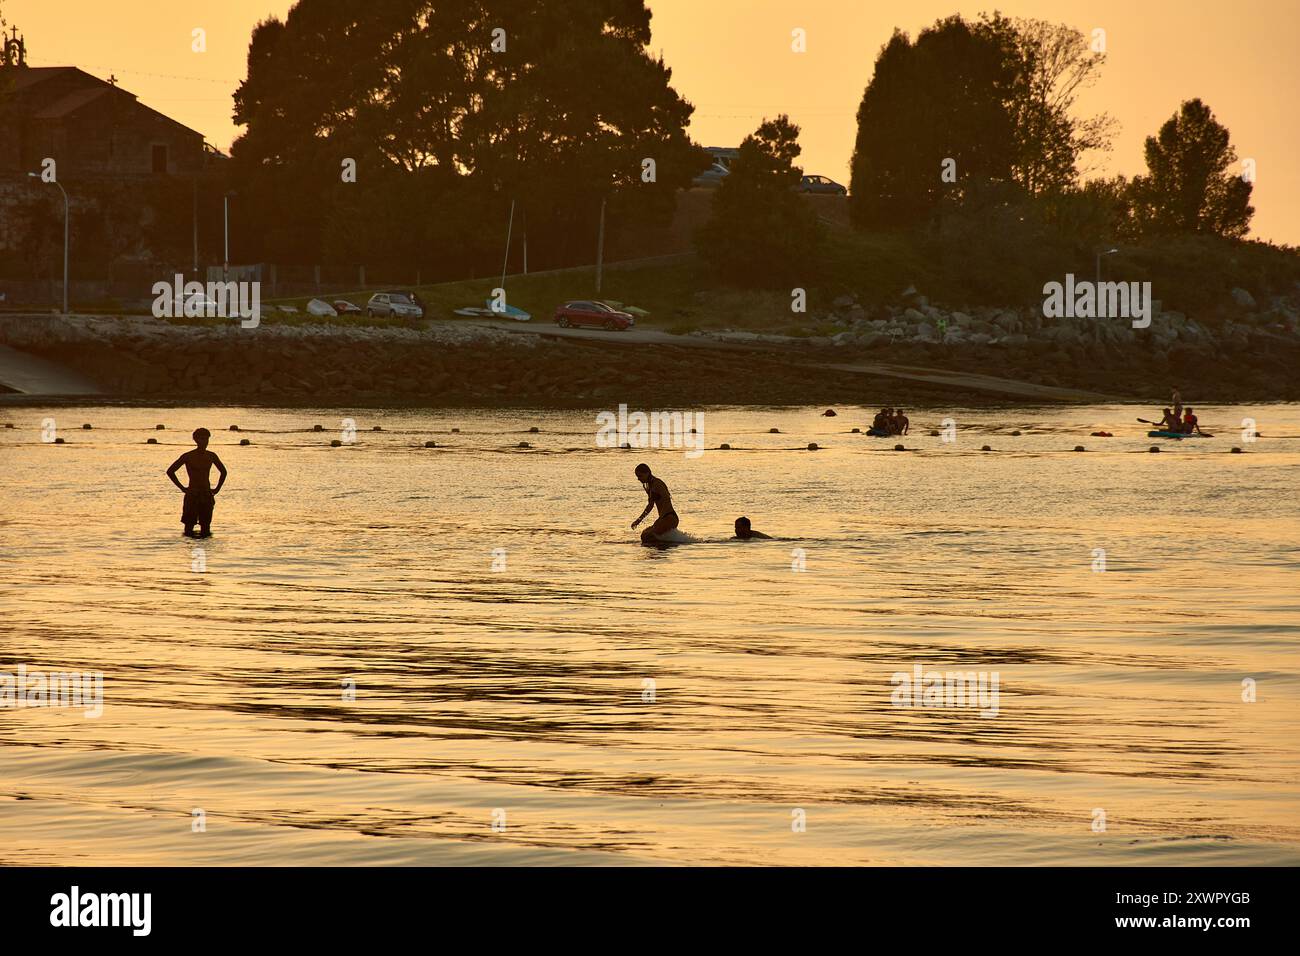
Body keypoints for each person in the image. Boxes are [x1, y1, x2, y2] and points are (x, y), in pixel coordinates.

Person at [167, 428, 227, 537]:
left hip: (206, 494)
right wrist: (182, 488)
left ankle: (206, 549)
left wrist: (217, 488)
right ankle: (190, 547)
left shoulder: (211, 455)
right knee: (189, 527)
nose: (204, 442)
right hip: (192, 494)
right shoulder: (188, 456)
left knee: (206, 527)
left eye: (206, 439)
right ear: (195, 440)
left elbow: (223, 471)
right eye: (201, 439)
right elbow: (170, 471)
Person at [630, 463, 678, 544]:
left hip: (669, 518)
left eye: (640, 476)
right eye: (637, 476)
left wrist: (638, 520)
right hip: (664, 518)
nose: (638, 479)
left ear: (647, 473)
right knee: (644, 535)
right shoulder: (650, 485)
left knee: (647, 537)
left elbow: (652, 505)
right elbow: (652, 503)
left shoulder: (657, 484)